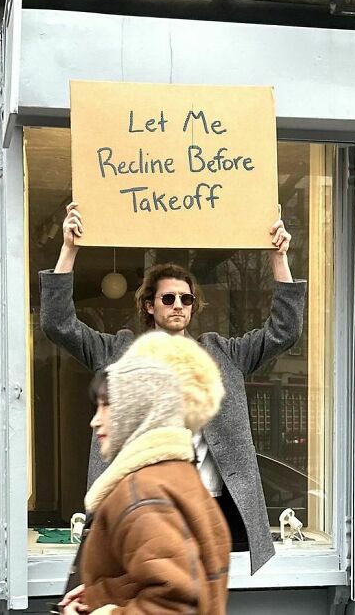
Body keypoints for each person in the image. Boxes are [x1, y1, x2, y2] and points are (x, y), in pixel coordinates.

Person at [40, 202, 307, 576]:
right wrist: (69, 249)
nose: (178, 305)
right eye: (168, 298)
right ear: (149, 305)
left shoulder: (221, 354)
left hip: (211, 507)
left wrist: (279, 258)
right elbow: (59, 325)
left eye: (186, 299)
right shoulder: (119, 351)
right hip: (146, 508)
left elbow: (284, 331)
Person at [62, 331, 231, 614]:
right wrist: (101, 594)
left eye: (107, 405)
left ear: (137, 410)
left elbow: (176, 603)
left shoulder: (141, 492)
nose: (94, 420)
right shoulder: (179, 476)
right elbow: (181, 573)